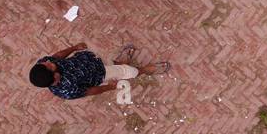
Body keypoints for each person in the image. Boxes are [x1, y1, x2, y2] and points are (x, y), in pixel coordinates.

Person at [29, 43, 167, 101]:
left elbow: (57, 56)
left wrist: (74, 48)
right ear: (55, 78)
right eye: (51, 67)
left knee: (114, 63)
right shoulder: (67, 91)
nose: (50, 62)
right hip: (102, 73)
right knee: (127, 72)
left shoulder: (44, 64)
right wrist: (110, 87)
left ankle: (121, 62)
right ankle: (142, 70)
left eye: (47, 63)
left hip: (90, 58)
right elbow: (90, 91)